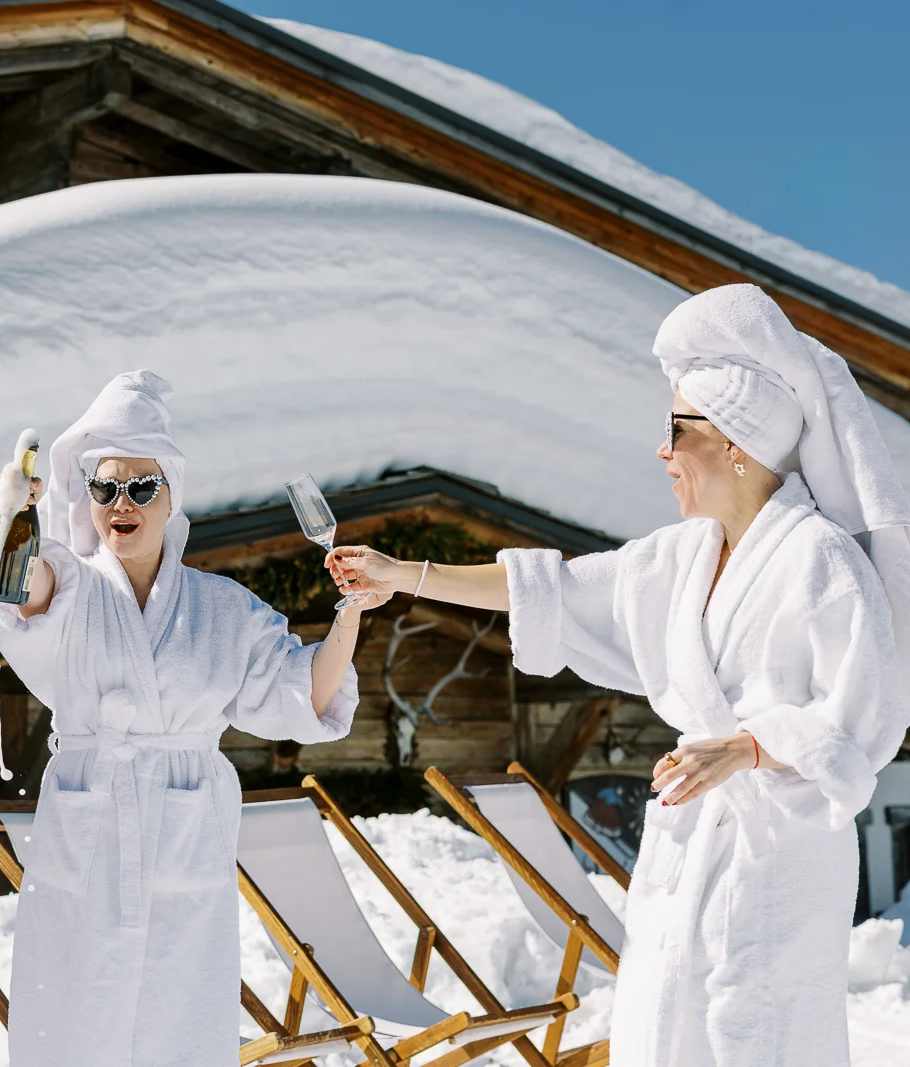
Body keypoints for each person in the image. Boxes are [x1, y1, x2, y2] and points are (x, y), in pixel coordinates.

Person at [331, 284, 910, 1067]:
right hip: (686, 854)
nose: (662, 451)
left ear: (735, 440)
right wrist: (407, 572)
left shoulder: (821, 560)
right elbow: (554, 591)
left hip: (777, 853)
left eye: (677, 429)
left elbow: (863, 718)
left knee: (761, 1036)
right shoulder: (682, 557)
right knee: (666, 1030)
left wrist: (747, 746)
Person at [0, 370, 369, 1067]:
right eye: (104, 487)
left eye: (142, 486)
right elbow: (19, 591)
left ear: (172, 496)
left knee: (181, 1015)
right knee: (73, 1012)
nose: (121, 503)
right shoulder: (69, 583)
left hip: (183, 833)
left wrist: (352, 614)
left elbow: (304, 696)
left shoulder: (223, 607)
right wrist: (15, 516)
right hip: (89, 827)